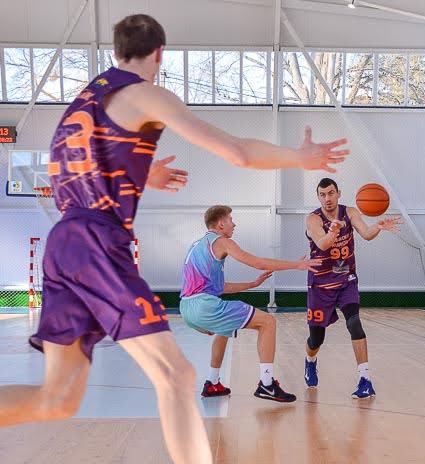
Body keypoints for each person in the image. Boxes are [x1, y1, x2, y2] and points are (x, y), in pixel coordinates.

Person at [0, 14, 349, 464]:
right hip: (96, 244)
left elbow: (83, 175)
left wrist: (141, 174)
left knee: (57, 398)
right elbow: (238, 152)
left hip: (63, 245)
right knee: (177, 377)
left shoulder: (84, 102)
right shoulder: (146, 94)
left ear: (115, 51)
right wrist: (297, 157)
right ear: (160, 54)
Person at [180, 206, 322, 402]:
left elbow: (219, 287)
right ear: (220, 224)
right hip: (204, 306)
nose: (234, 224)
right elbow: (258, 263)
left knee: (224, 330)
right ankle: (267, 384)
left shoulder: (196, 245)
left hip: (187, 309)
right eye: (230, 219)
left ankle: (212, 383)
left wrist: (253, 284)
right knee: (268, 322)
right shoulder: (222, 242)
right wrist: (295, 265)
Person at [304, 178, 402, 398]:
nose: (327, 199)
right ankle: (310, 360)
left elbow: (366, 234)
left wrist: (377, 226)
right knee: (316, 339)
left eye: (331, 193)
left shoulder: (350, 212)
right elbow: (322, 244)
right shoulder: (312, 219)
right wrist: (333, 232)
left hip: (346, 279)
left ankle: (365, 379)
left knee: (354, 323)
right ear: (318, 196)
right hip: (320, 284)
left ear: (339, 193)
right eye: (322, 194)